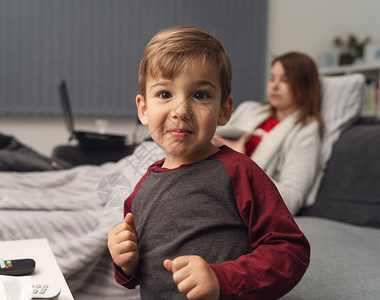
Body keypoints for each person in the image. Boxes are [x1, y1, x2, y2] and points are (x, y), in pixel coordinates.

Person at [107, 26, 310, 299]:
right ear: (143, 109)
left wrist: (221, 279)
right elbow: (142, 273)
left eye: (200, 95)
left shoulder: (240, 172)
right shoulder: (139, 192)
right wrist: (125, 263)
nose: (180, 111)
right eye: (165, 94)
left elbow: (291, 250)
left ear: (224, 110)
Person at [213, 52, 322, 215]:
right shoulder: (250, 109)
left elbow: (292, 200)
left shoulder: (305, 131)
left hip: (233, 195)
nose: (274, 86)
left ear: (305, 86)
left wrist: (241, 161)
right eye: (272, 79)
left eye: (285, 80)